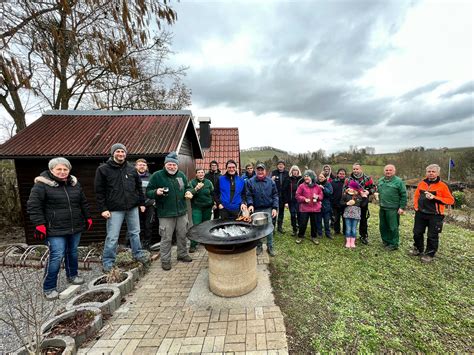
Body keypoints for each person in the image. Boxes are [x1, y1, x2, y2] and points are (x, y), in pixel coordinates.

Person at [27, 157, 91, 300]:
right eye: (59, 169)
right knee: (57, 255)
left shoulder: (74, 184)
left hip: (74, 226)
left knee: (73, 252)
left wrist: (88, 217)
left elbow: (83, 202)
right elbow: (33, 206)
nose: (62, 172)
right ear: (51, 170)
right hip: (54, 229)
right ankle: (49, 287)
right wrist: (39, 224)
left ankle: (72, 275)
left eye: (65, 169)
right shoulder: (41, 186)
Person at [95, 143, 146, 272]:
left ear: (126, 154)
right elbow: (99, 191)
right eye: (118, 151)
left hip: (132, 207)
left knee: (135, 233)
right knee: (112, 236)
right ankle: (108, 261)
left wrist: (141, 203)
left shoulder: (131, 169)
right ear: (113, 153)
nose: (120, 154)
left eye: (123, 152)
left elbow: (139, 187)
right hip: (114, 209)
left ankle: (138, 254)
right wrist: (103, 209)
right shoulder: (103, 169)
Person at [146, 152, 193, 270]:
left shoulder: (181, 175)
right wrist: (156, 192)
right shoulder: (157, 176)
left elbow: (187, 187)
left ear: (177, 165)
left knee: (183, 235)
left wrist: (189, 191)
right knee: (166, 238)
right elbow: (148, 192)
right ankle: (165, 260)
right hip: (165, 213)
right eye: (170, 164)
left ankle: (182, 254)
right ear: (165, 164)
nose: (172, 167)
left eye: (174, 165)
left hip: (182, 212)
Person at [411, 164, 454, 262]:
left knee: (432, 236)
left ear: (438, 173)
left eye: (433, 171)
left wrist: (435, 198)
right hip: (420, 213)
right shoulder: (422, 183)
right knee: (417, 233)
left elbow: (450, 200)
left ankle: (429, 254)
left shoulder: (443, 185)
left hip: (435, 215)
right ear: (426, 173)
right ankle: (418, 248)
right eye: (429, 171)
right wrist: (416, 207)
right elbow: (416, 196)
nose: (431, 173)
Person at [246, 163, 278, 256]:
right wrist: (250, 204)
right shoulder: (250, 181)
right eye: (258, 170)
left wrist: (275, 208)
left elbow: (275, 195)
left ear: (265, 171)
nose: (260, 172)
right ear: (256, 171)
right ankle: (259, 246)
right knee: (257, 229)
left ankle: (270, 247)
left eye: (262, 170)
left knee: (269, 228)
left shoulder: (271, 182)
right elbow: (249, 195)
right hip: (256, 209)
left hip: (268, 208)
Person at [376, 164, 407, 251]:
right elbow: (378, 190)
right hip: (382, 207)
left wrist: (402, 207)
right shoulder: (381, 180)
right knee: (383, 226)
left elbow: (404, 195)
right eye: (386, 170)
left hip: (393, 208)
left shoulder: (399, 181)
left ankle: (394, 244)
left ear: (394, 171)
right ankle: (386, 241)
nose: (388, 172)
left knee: (393, 226)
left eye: (390, 170)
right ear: (384, 171)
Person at [344, 163, 375, 244]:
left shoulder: (368, 178)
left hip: (363, 201)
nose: (355, 170)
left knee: (363, 219)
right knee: (349, 217)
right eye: (354, 169)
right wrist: (347, 190)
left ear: (361, 169)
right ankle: (348, 235)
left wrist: (369, 191)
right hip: (352, 201)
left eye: (357, 169)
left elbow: (374, 187)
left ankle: (363, 236)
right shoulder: (348, 179)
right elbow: (344, 188)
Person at [188, 168, 214, 253]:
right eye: (199, 173)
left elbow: (212, 193)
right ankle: (193, 244)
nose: (200, 174)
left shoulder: (208, 182)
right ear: (196, 174)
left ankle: (204, 241)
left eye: (202, 172)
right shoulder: (192, 182)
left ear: (204, 174)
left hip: (207, 207)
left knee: (206, 225)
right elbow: (189, 193)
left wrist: (214, 203)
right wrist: (196, 188)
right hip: (197, 207)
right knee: (196, 225)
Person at [295, 170, 323, 245]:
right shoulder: (301, 186)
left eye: (308, 176)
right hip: (305, 208)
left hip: (315, 209)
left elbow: (321, 195)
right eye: (305, 176)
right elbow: (297, 196)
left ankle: (314, 236)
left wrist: (317, 197)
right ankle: (300, 236)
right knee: (303, 223)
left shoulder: (317, 186)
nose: (306, 177)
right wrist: (304, 199)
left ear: (312, 177)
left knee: (314, 224)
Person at [341, 181, 369, 249]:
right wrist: (347, 203)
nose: (350, 189)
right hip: (347, 215)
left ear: (356, 189)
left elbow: (363, 205)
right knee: (348, 229)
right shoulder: (345, 195)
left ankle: (352, 242)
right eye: (349, 187)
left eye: (352, 188)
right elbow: (341, 203)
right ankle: (348, 241)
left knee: (353, 229)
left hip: (356, 216)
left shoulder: (359, 196)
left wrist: (365, 197)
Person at [135, 158, 155, 250]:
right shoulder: (132, 176)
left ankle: (147, 246)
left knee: (148, 226)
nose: (142, 166)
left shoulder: (151, 177)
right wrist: (139, 204)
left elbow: (153, 191)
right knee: (135, 226)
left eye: (143, 165)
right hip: (136, 207)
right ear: (136, 166)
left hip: (149, 206)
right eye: (140, 165)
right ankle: (135, 246)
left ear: (146, 167)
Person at [271, 160, 290, 233]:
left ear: (284, 166)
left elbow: (288, 186)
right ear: (277, 166)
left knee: (281, 213)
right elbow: (270, 183)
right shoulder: (274, 172)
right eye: (279, 164)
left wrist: (286, 201)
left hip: (283, 196)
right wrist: (271, 179)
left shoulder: (287, 173)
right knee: (274, 212)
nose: (280, 165)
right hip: (275, 195)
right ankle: (272, 228)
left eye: (282, 164)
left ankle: (279, 227)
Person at [286, 165, 302, 236]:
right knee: (292, 215)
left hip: (299, 201)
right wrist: (286, 202)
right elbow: (285, 190)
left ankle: (299, 228)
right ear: (291, 171)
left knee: (299, 215)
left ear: (298, 171)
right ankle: (294, 229)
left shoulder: (301, 179)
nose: (295, 172)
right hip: (291, 201)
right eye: (293, 170)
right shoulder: (288, 179)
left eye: (296, 170)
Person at [317, 172, 334, 239]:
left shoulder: (328, 184)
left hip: (326, 205)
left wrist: (323, 188)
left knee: (326, 220)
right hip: (318, 204)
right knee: (318, 220)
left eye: (322, 177)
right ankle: (319, 233)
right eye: (319, 177)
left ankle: (328, 233)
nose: (320, 178)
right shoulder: (316, 183)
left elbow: (330, 193)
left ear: (325, 178)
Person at [331, 168, 347, 235]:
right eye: (340, 174)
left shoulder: (347, 182)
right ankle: (336, 231)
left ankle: (345, 231)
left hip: (345, 204)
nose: (341, 175)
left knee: (345, 218)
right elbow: (331, 192)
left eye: (343, 174)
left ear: (345, 175)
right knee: (336, 218)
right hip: (335, 203)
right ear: (337, 174)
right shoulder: (333, 182)